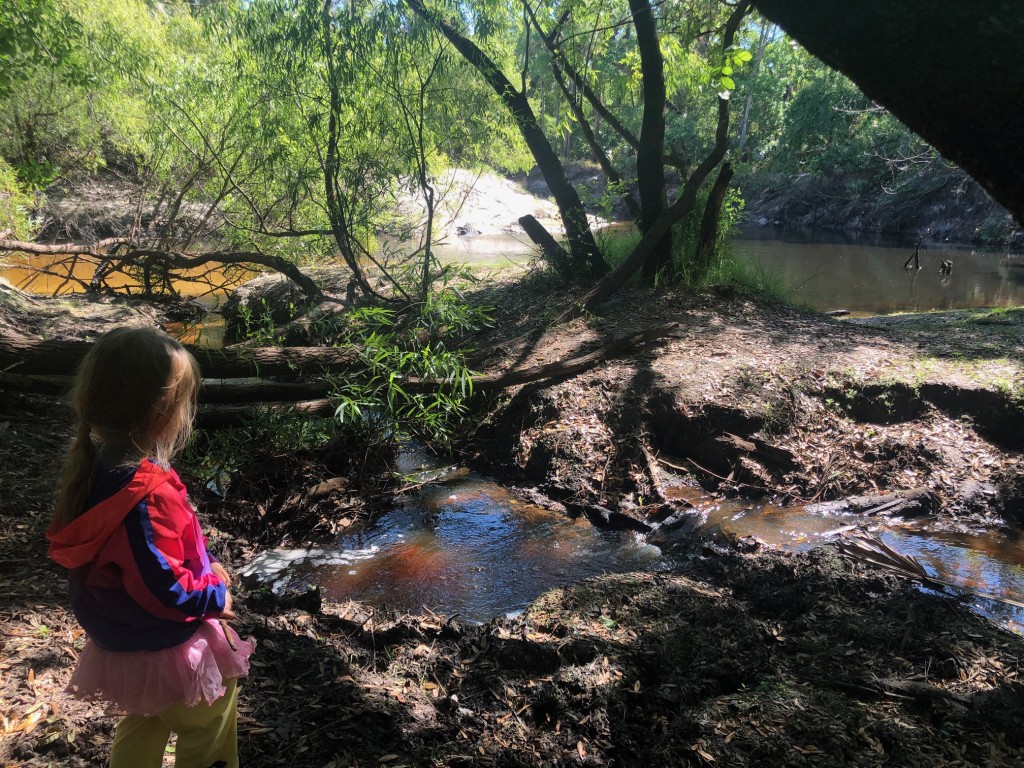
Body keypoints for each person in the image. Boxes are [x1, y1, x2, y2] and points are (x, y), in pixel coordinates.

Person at [47, 326, 253, 768]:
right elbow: (162, 584)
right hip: (164, 644)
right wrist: (216, 596)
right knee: (210, 719)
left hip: (123, 639)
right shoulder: (143, 493)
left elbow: (168, 546)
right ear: (162, 411)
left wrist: (209, 561)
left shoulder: (97, 471)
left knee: (145, 719)